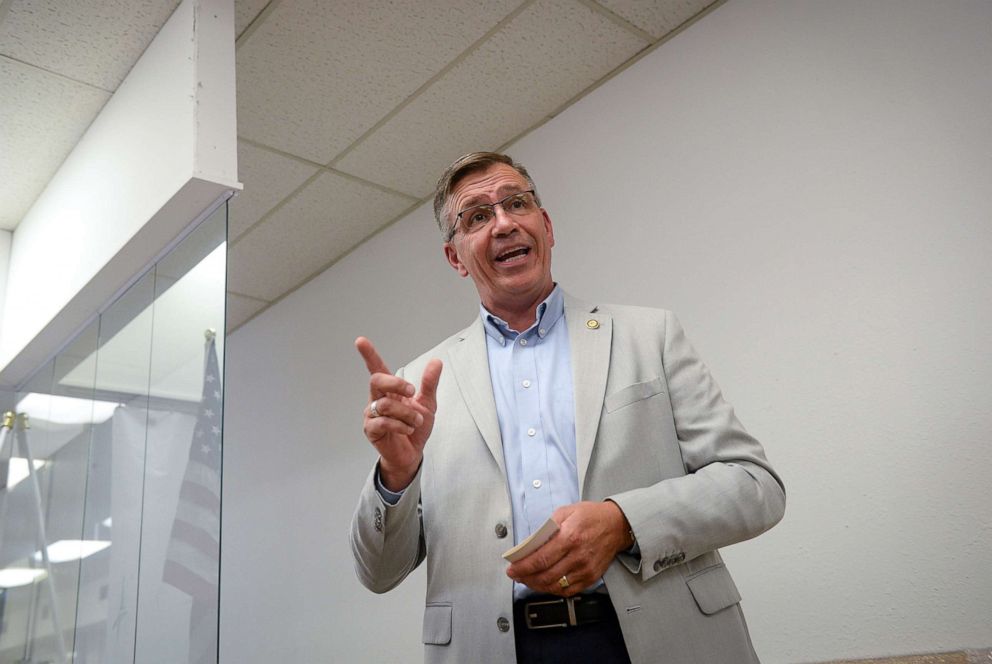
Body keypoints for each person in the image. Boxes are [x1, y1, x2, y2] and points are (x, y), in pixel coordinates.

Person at [350, 152, 785, 664]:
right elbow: (377, 573)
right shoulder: (420, 385)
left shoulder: (650, 337)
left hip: (666, 639)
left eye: (517, 203)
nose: (505, 223)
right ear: (455, 257)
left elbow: (755, 486)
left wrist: (624, 521)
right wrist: (396, 474)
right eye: (478, 216)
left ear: (546, 225)